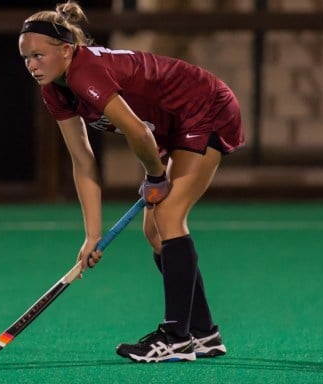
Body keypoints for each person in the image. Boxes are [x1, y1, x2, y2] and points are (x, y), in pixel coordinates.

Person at [18, 1, 244, 363]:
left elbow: (138, 133)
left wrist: (155, 176)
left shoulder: (83, 73)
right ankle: (204, 333)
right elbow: (82, 159)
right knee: (155, 231)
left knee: (168, 216)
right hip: (174, 123)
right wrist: (92, 235)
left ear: (65, 49)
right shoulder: (55, 89)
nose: (32, 65)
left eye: (38, 56)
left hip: (205, 107)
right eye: (26, 58)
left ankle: (176, 337)